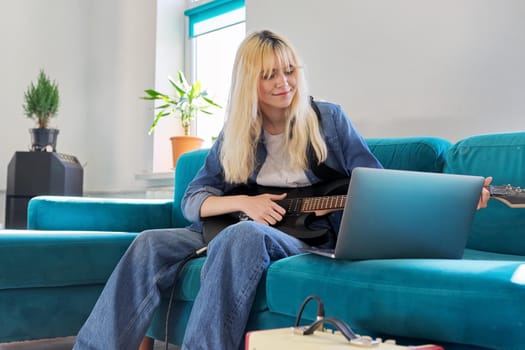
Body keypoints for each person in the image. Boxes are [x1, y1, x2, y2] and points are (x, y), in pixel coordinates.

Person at [73, 30, 491, 350]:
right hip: (240, 221)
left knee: (244, 235)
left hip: (304, 237)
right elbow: (193, 200)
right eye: (269, 75)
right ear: (248, 83)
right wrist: (244, 202)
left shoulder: (328, 119)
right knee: (147, 243)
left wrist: (458, 197)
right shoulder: (236, 133)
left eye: (289, 70)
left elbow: (378, 186)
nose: (283, 82)